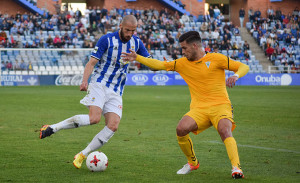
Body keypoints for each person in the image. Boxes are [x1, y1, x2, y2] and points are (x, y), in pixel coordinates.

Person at [122, 31, 249, 179]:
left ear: (195, 46)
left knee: (224, 130)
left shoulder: (216, 58)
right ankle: (193, 162)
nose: (182, 52)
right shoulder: (182, 63)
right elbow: (160, 65)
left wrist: (235, 75)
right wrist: (137, 57)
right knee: (181, 129)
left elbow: (243, 66)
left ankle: (236, 168)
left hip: (221, 106)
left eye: (184, 48)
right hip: (199, 109)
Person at [39, 15, 150, 169]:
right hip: (99, 83)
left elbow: (151, 63)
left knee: (113, 125)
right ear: (120, 25)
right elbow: (91, 63)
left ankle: (82, 154)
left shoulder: (136, 42)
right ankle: (53, 128)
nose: (130, 33)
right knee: (94, 118)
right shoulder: (107, 39)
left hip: (117, 89)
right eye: (127, 30)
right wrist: (85, 80)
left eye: (133, 30)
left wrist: (161, 64)